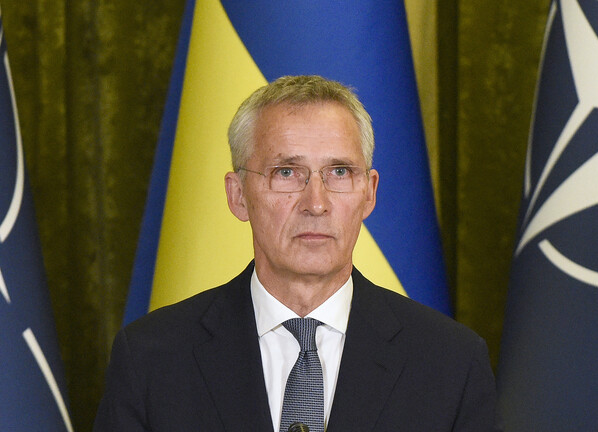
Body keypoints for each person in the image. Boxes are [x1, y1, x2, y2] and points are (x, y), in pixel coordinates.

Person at [94, 75, 497, 431]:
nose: (316, 203)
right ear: (238, 195)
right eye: (286, 173)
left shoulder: (452, 363)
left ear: (369, 193)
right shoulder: (151, 360)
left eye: (339, 172)